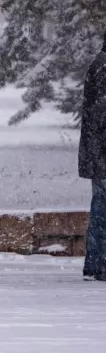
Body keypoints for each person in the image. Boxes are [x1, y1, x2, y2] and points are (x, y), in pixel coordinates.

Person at [79, 31, 106, 281]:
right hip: (102, 154)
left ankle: (96, 264)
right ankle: (98, 265)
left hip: (98, 154)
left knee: (100, 206)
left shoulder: (99, 64)